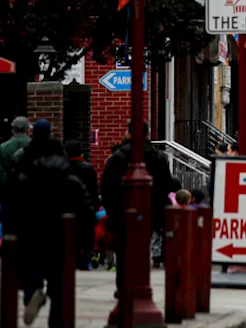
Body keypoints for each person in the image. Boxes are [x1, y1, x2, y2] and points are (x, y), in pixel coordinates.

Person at [12, 120, 91, 325]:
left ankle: (33, 294)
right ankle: (56, 321)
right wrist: (84, 234)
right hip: (58, 230)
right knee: (58, 284)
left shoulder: (23, 159)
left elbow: (13, 197)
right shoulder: (62, 161)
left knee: (30, 271)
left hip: (30, 229)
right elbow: (81, 200)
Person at [100, 121, 178, 267]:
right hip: (150, 210)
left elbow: (107, 186)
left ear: (129, 133)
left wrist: (111, 210)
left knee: (125, 245)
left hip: (121, 210)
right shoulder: (158, 157)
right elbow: (166, 185)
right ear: (147, 134)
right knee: (143, 241)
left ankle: (126, 270)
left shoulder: (118, 157)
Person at [64, 139, 99, 270]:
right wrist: (94, 207)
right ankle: (83, 260)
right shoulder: (87, 168)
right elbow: (94, 190)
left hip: (66, 208)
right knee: (84, 237)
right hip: (84, 209)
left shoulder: (63, 167)